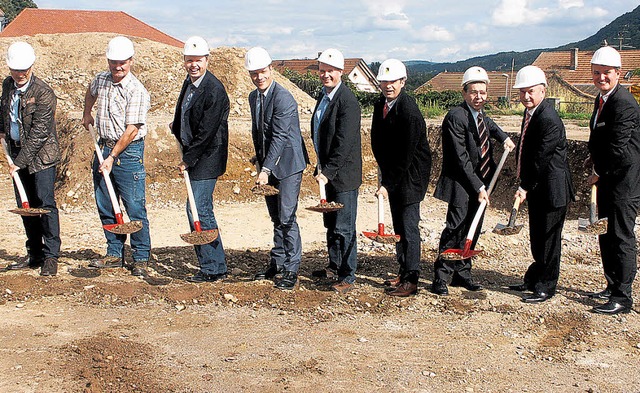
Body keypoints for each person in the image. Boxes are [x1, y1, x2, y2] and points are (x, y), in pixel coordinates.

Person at [432, 66, 514, 296]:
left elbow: (489, 125)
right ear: (464, 92)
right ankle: (442, 275)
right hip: (461, 182)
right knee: (455, 228)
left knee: (473, 227)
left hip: (481, 181)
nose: (479, 97)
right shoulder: (456, 117)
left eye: (483, 92)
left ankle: (463, 273)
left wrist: (504, 137)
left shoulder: (480, 114)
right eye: (474, 92)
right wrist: (479, 186)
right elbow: (461, 159)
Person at [82, 36, 151, 277]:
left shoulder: (136, 90)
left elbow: (132, 130)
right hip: (103, 145)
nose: (117, 67)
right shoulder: (101, 80)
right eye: (113, 62)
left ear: (131, 61)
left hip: (128, 152)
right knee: (106, 202)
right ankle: (114, 252)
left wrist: (111, 157)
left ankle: (141, 256)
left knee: (134, 206)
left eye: (122, 63)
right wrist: (87, 113)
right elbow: (90, 92)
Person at [507, 66, 574, 303]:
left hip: (552, 188)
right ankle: (534, 279)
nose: (526, 96)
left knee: (549, 240)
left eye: (531, 91)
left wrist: (524, 186)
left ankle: (546, 286)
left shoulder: (548, 118)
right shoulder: (532, 113)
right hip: (538, 188)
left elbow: (541, 159)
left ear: (543, 90)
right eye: (522, 92)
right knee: (537, 236)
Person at [244, 47, 309, 290]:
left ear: (271, 69)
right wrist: (259, 158)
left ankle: (291, 268)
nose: (259, 77)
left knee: (287, 216)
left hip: (289, 165)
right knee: (275, 216)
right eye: (254, 73)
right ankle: (278, 261)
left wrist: (266, 170)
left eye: (262, 72)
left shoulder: (283, 98)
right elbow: (261, 132)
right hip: (269, 165)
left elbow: (281, 137)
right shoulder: (254, 97)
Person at [370, 59, 432, 297]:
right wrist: (384, 173)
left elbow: (406, 154)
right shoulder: (380, 105)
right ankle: (402, 269)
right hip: (393, 174)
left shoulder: (409, 110)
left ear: (403, 82)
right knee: (398, 228)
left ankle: (412, 279)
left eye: (393, 81)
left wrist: (388, 184)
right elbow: (377, 140)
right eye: (384, 81)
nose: (388, 86)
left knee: (409, 227)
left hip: (410, 177)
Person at [586, 46, 640, 315]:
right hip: (608, 179)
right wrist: (591, 158)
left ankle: (623, 296)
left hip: (624, 182)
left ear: (618, 73)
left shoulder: (624, 103)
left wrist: (597, 169)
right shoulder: (602, 99)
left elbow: (618, 147)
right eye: (597, 73)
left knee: (621, 236)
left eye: (606, 73)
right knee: (606, 235)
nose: (601, 78)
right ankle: (611, 285)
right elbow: (600, 137)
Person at [170, 36, 229, 283]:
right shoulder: (190, 82)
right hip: (194, 154)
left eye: (198, 60)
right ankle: (211, 264)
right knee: (195, 208)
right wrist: (176, 128)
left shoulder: (213, 89)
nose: (194, 65)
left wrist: (188, 159)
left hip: (207, 157)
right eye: (189, 60)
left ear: (207, 60)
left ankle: (214, 267)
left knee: (199, 208)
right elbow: (184, 112)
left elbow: (207, 132)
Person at [1, 41, 60, 276]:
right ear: (9, 68)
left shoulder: (44, 93)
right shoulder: (8, 85)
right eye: (16, 69)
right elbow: (4, 109)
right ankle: (34, 253)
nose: (21, 74)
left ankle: (51, 256)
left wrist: (19, 162)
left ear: (32, 66)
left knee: (44, 205)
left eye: (25, 68)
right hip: (17, 152)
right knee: (26, 206)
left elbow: (39, 134)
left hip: (42, 157)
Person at [310, 48, 362, 293]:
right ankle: (334, 265)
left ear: (341, 72)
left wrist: (328, 171)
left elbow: (345, 141)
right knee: (331, 225)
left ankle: (348, 275)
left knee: (344, 226)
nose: (326, 75)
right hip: (327, 173)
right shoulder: (323, 97)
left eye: (330, 71)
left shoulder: (348, 102)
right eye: (322, 71)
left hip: (343, 177)